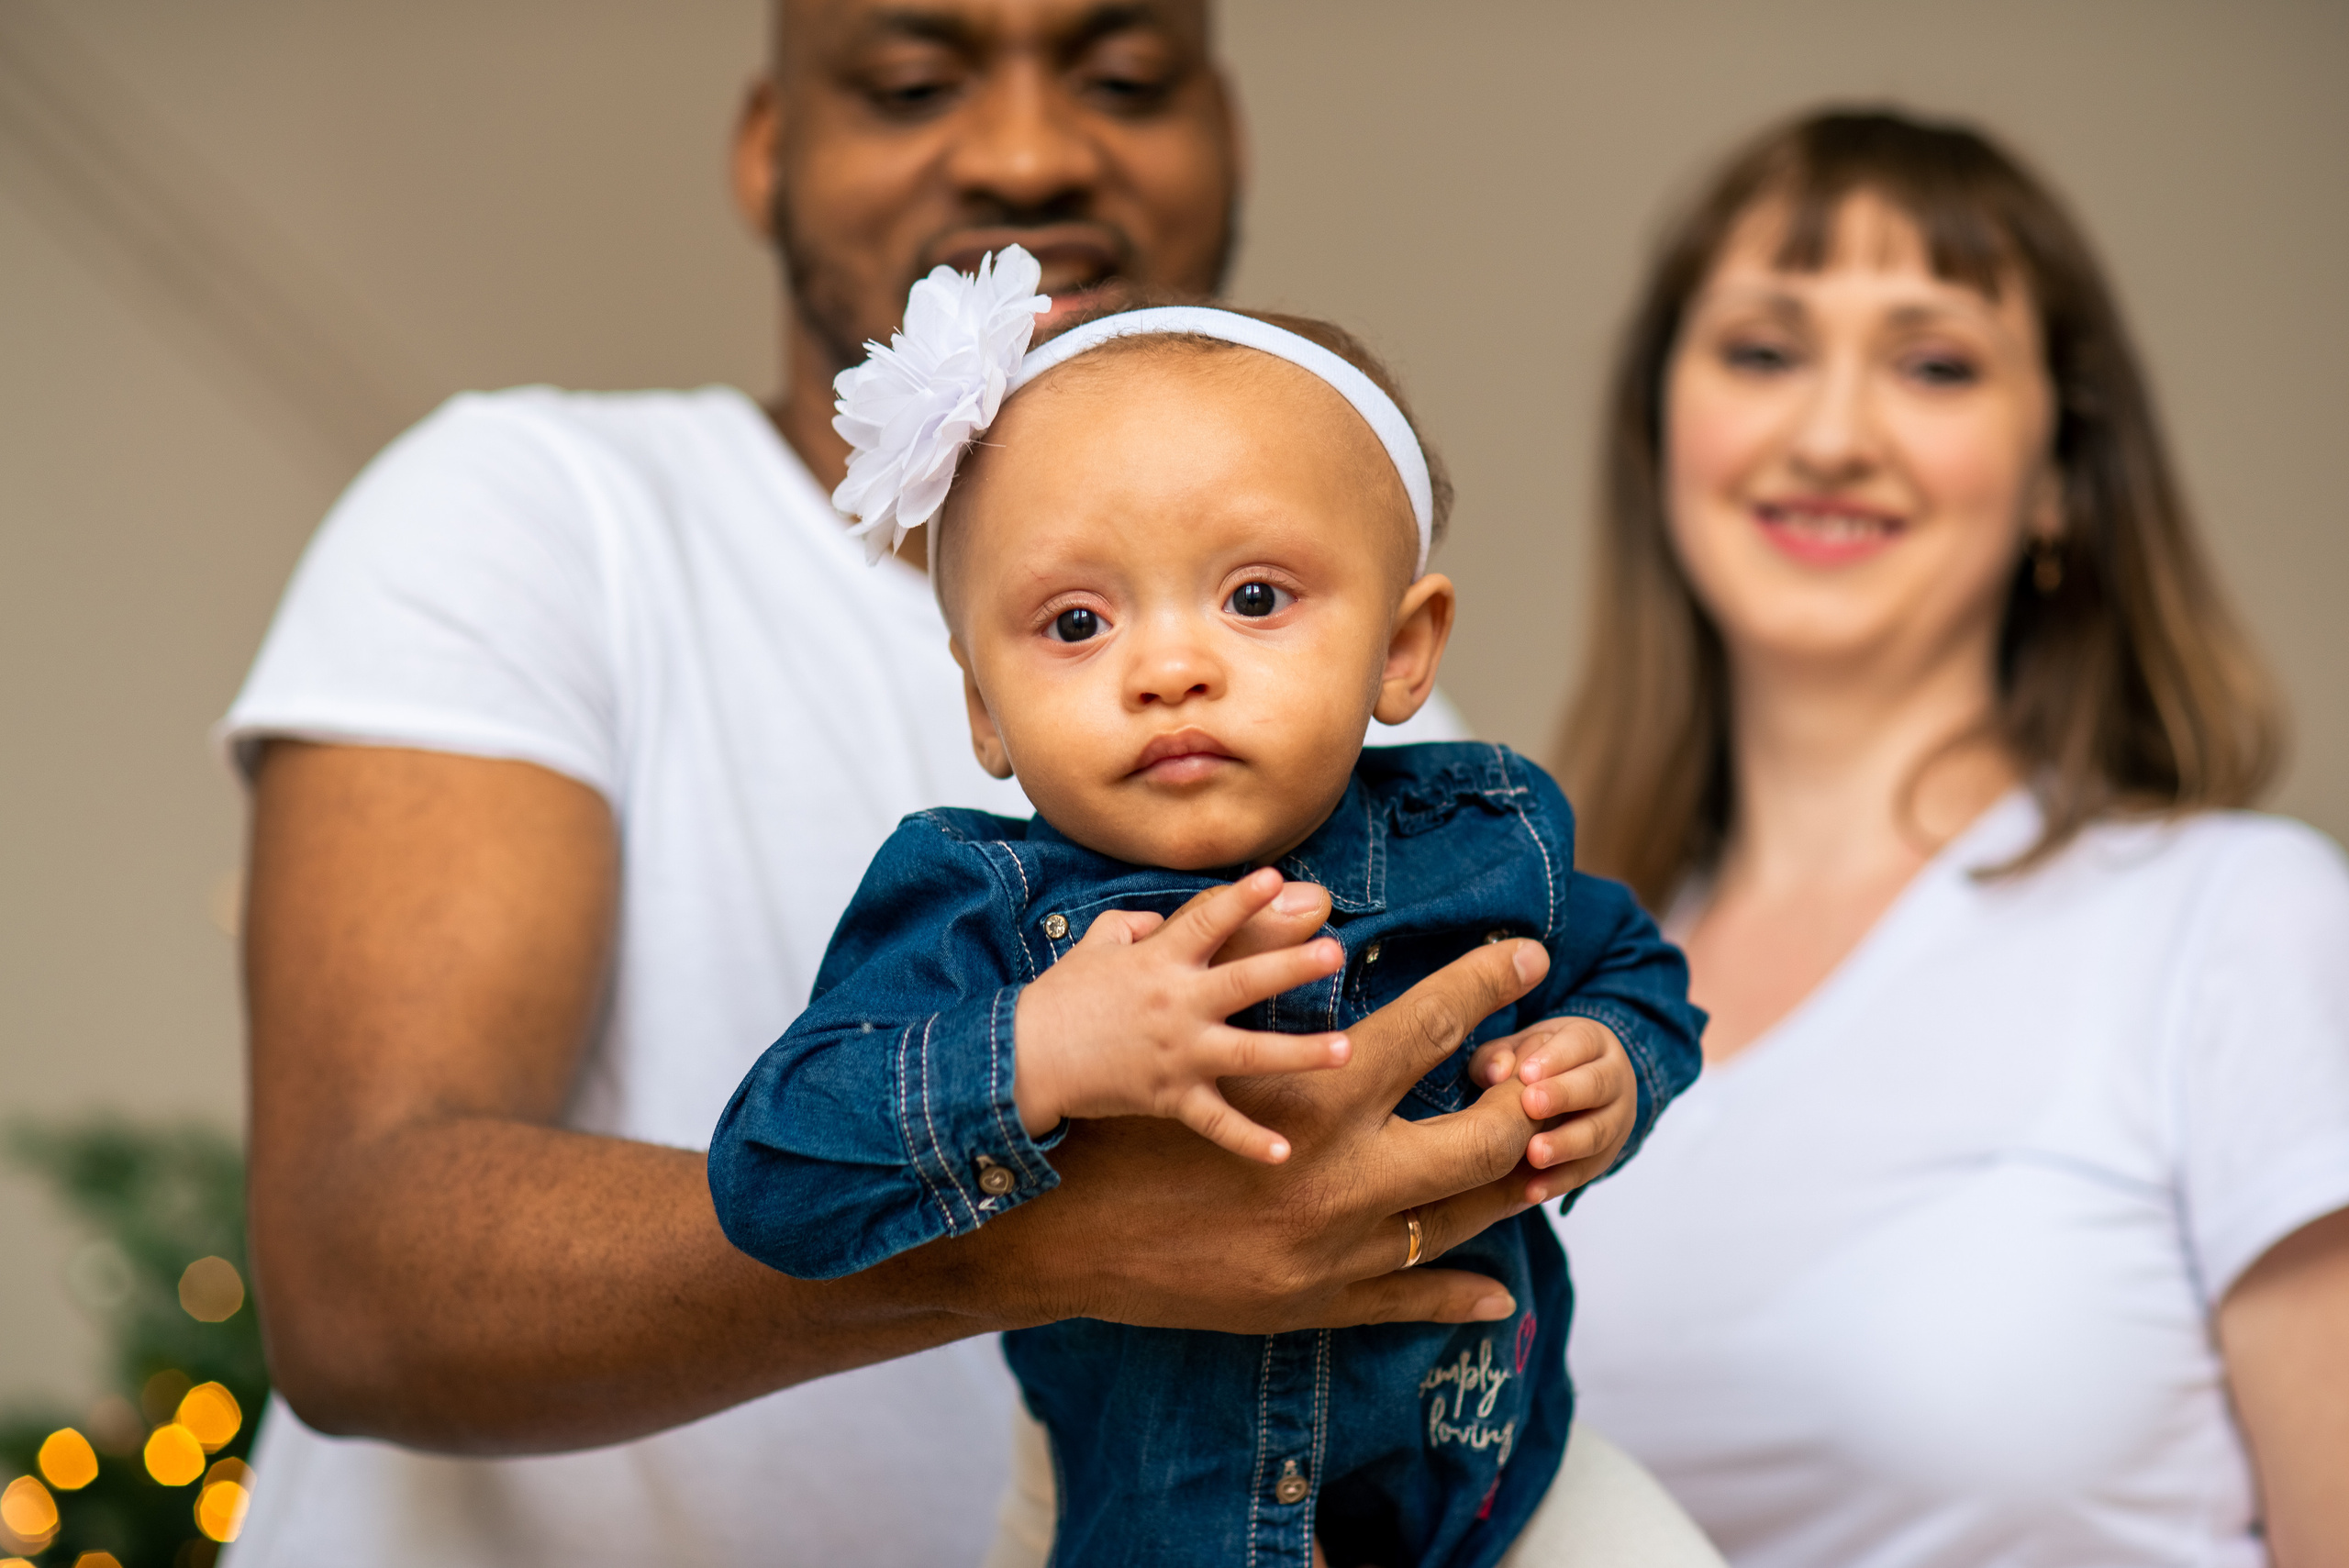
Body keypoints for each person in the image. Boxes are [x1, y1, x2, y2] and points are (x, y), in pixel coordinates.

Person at [215, 6, 1618, 1563]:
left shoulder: (1377, 759)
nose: (1027, 150)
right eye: (912, 81)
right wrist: (1057, 1232)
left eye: (1124, 77)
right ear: (766, 145)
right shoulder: (540, 513)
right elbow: (356, 1281)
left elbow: (1589, 1039)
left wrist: (1585, 1079)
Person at [705, 260, 1707, 1566]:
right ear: (985, 711)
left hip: (1505, 1487)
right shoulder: (980, 910)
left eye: (1253, 598)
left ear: (1404, 650)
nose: (1170, 668)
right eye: (1076, 621)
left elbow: (1640, 971)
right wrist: (1034, 1051)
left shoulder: (1484, 830)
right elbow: (771, 1176)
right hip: (1164, 1526)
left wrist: (1613, 1062)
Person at [1552, 108, 2349, 1567]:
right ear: (1659, 432)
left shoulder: (2237, 925)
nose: (1834, 433)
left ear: (2061, 477)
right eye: (1762, 350)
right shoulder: (1530, 985)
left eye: (1934, 364)